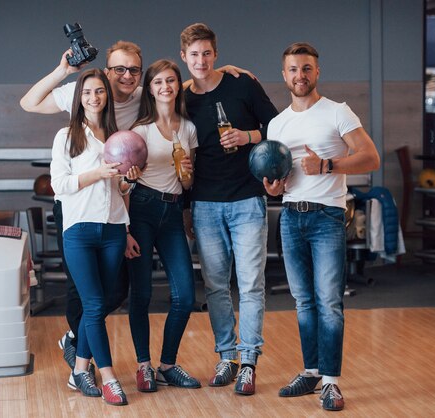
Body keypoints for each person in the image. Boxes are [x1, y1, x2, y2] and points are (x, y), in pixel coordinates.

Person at [20, 40, 255, 376]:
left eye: (134, 70)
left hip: (120, 205)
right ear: (106, 72)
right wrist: (64, 70)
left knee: (118, 289)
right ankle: (81, 350)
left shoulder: (145, 95)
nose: (127, 76)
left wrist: (230, 72)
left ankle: (91, 343)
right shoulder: (85, 92)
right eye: (119, 69)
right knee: (86, 289)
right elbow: (29, 103)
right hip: (83, 208)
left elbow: (171, 84)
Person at [263, 42, 380, 412]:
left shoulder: (337, 112)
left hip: (327, 216)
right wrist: (273, 186)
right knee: (303, 302)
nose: (300, 75)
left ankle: (331, 383)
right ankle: (311, 370)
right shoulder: (277, 123)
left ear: (317, 72)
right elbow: (276, 171)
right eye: (294, 69)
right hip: (290, 215)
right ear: (284, 76)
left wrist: (328, 165)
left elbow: (370, 157)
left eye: (307, 68)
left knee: (329, 303)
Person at [179, 23, 279, 396]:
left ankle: (249, 361)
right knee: (216, 287)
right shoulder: (182, 97)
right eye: (194, 55)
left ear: (216, 53)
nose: (201, 61)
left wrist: (248, 136)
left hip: (247, 198)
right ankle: (226, 356)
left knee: (251, 284)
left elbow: (277, 125)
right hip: (204, 203)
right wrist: (187, 208)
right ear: (184, 58)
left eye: (206, 53)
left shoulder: (243, 84)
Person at [50, 68, 131, 405]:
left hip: (113, 228)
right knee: (94, 304)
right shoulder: (66, 136)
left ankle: (80, 369)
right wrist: (97, 173)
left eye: (99, 92)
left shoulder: (117, 135)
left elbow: (120, 188)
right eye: (87, 93)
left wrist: (129, 179)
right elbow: (60, 185)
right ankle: (109, 377)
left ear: (106, 96)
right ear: (78, 98)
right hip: (79, 229)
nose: (94, 98)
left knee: (100, 303)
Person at [122, 59, 200, 392]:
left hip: (172, 212)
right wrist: (125, 230)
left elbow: (187, 182)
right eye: (158, 82)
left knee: (185, 294)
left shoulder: (188, 128)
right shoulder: (139, 131)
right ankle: (144, 366)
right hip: (141, 208)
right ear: (150, 90)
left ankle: (167, 363)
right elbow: (124, 185)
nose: (165, 87)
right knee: (140, 295)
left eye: (171, 81)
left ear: (177, 86)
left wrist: (187, 173)